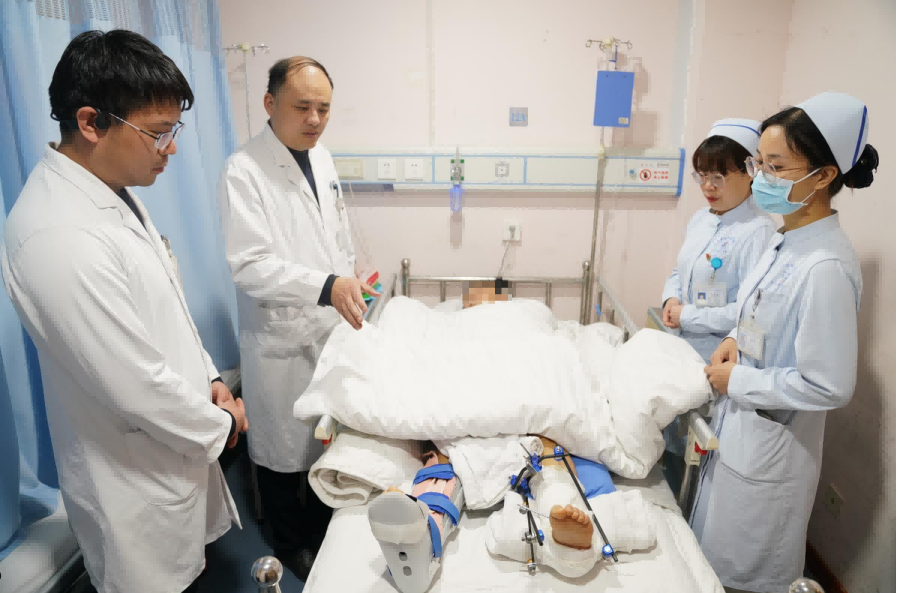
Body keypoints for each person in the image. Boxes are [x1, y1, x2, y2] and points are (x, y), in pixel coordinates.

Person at [0, 30, 248, 593]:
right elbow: (136, 386)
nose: (171, 149)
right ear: (90, 122)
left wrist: (211, 376)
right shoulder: (55, 234)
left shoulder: (109, 190)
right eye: (158, 134)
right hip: (132, 482)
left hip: (171, 449)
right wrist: (225, 422)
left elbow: (168, 309)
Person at [698, 92, 877, 593]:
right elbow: (760, 314)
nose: (761, 178)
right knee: (712, 561)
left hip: (771, 452)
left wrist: (740, 380)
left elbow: (829, 385)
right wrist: (734, 338)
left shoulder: (826, 267)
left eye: (776, 167)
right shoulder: (785, 241)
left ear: (823, 176)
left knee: (749, 574)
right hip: (743, 431)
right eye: (759, 163)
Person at [218, 56, 379, 579]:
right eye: (302, 106)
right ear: (270, 103)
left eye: (324, 109)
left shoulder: (322, 157)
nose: (314, 119)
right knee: (283, 451)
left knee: (325, 439)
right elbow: (249, 266)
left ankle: (322, 530)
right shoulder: (244, 171)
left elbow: (334, 233)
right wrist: (327, 286)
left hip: (329, 324)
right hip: (281, 337)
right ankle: (289, 545)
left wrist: (350, 276)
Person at [661, 119, 776, 362]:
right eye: (702, 176)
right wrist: (671, 299)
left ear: (750, 172)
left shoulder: (758, 231)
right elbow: (680, 271)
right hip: (680, 345)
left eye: (718, 177)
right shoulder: (701, 218)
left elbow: (751, 309)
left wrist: (687, 316)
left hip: (718, 355)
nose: (707, 186)